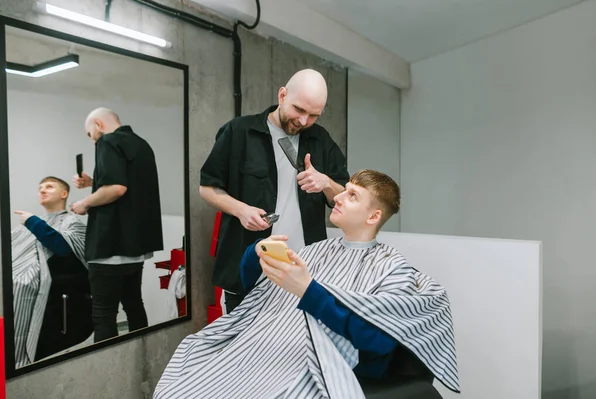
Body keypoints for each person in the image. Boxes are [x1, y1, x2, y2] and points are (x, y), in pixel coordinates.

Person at [154, 169, 460, 399]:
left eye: (352, 195)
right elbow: (259, 296)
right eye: (345, 190)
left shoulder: (391, 270)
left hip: (316, 365)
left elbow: (378, 342)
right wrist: (255, 254)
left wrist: (307, 291)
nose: (337, 197)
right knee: (190, 368)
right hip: (267, 349)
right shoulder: (314, 251)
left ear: (374, 216)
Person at [200, 68, 350, 313]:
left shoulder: (321, 140)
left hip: (303, 270)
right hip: (247, 268)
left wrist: (326, 183)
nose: (303, 121)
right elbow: (207, 188)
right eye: (298, 110)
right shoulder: (238, 132)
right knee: (244, 347)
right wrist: (240, 210)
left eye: (313, 115)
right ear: (282, 95)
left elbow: (342, 195)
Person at [71, 107, 163, 343]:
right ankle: (142, 362)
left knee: (103, 315)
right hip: (136, 247)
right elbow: (128, 184)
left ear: (98, 125)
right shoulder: (141, 145)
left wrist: (85, 203)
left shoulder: (108, 142)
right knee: (134, 306)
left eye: (90, 134)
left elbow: (116, 189)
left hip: (110, 246)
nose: (93, 140)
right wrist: (93, 183)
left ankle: (107, 373)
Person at [12, 176, 91, 367]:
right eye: (40, 188)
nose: (42, 190)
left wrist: (33, 222)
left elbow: (64, 249)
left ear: (64, 194)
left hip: (53, 288)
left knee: (20, 284)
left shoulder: (72, 222)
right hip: (18, 276)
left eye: (49, 186)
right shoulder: (26, 226)